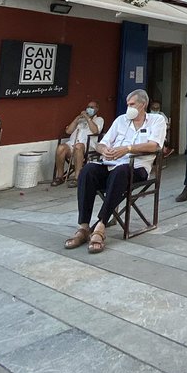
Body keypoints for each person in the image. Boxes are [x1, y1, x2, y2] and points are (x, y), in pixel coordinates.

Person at [64, 89, 166, 254]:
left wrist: (127, 149)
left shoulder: (156, 120)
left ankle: (101, 225)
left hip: (136, 168)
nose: (129, 108)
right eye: (127, 104)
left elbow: (154, 145)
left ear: (143, 105)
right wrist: (104, 150)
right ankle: (83, 226)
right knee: (88, 170)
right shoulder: (121, 120)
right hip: (111, 163)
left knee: (121, 172)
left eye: (132, 104)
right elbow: (101, 143)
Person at [52, 101, 104, 187]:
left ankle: (77, 177)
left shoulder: (99, 119)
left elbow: (95, 131)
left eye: (92, 107)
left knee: (78, 146)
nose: (89, 108)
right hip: (73, 143)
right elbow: (68, 131)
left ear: (97, 109)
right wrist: (77, 119)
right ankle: (60, 176)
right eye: (88, 106)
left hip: (87, 146)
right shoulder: (80, 120)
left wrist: (88, 118)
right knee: (61, 148)